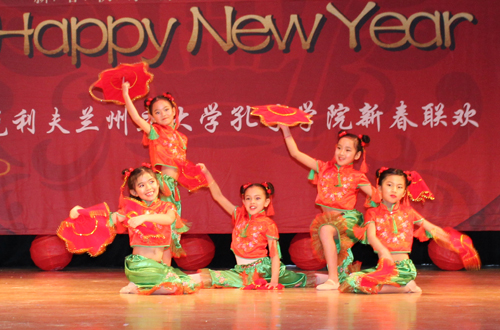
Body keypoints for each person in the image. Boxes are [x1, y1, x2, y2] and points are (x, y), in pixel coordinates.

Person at [339, 167, 481, 294]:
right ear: (380, 188)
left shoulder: (408, 212)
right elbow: (371, 237)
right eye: (389, 185)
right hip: (384, 267)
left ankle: (405, 286)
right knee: (352, 281)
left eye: (399, 187)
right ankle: (403, 287)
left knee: (358, 283)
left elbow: (431, 228)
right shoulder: (372, 212)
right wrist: (383, 251)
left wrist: (455, 243)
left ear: (404, 192)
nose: (394, 189)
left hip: (403, 268)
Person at [66, 166, 199, 295]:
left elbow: (169, 219)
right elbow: (111, 217)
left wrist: (144, 218)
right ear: (134, 192)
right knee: (174, 287)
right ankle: (138, 286)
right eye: (141, 185)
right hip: (140, 266)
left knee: (186, 285)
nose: (148, 187)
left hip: (157, 267)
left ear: (158, 183)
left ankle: (143, 286)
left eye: (151, 182)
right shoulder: (132, 209)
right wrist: (83, 212)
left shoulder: (166, 207)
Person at [280, 125, 376, 290]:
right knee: (342, 266)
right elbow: (296, 154)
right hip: (330, 222)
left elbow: (377, 196)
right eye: (339, 148)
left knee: (325, 230)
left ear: (358, 155)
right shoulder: (323, 168)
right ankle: (338, 277)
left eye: (347, 150)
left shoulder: (357, 176)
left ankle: (333, 280)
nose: (341, 153)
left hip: (348, 219)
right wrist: (285, 130)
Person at [122, 82, 208, 263]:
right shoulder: (155, 132)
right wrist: (126, 94)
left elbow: (181, 168)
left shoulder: (182, 137)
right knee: (162, 225)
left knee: (170, 230)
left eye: (166, 110)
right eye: (158, 112)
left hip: (172, 186)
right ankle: (155, 266)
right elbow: (137, 119)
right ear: (152, 116)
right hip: (161, 185)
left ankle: (166, 269)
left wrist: (195, 172)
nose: (163, 114)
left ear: (174, 110)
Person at [198, 164, 307, 289]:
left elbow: (275, 254)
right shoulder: (238, 215)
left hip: (262, 271)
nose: (252, 202)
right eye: (248, 198)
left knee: (299, 280)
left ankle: (327, 278)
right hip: (241, 270)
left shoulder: (268, 224)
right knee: (214, 278)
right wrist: (206, 173)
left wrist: (274, 281)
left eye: (257, 198)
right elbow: (218, 196)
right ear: (243, 201)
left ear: (266, 202)